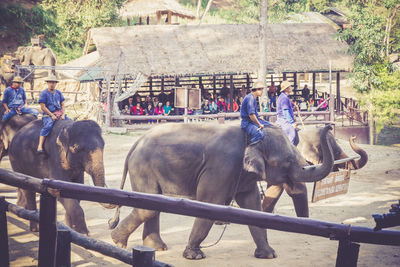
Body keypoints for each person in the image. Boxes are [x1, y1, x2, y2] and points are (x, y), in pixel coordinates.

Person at [37, 75, 69, 153]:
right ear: (47, 83)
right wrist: (51, 115)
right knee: (48, 126)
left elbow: (62, 104)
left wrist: (63, 114)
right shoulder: (43, 93)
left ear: (56, 83)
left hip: (59, 113)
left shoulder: (58, 93)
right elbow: (43, 107)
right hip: (48, 114)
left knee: (70, 122)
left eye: (53, 82)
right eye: (50, 82)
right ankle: (40, 145)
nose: (52, 84)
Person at [240, 80, 271, 146]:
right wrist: (259, 124)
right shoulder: (250, 98)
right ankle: (250, 150)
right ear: (256, 90)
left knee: (270, 125)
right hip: (247, 123)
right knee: (259, 134)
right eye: (261, 90)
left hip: (251, 121)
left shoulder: (253, 98)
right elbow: (251, 115)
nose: (262, 92)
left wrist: (259, 118)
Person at [276, 80, 298, 145]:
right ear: (286, 89)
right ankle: (289, 149)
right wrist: (291, 122)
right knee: (291, 133)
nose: (291, 88)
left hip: (282, 118)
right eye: (289, 86)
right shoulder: (284, 98)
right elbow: (285, 112)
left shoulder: (284, 97)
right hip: (283, 120)